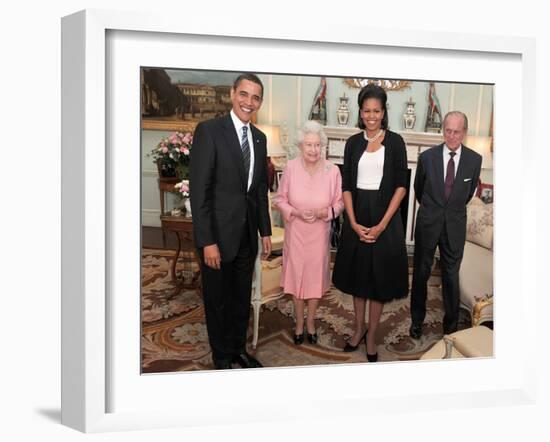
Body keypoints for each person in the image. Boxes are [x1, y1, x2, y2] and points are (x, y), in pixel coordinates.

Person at [190, 73, 272, 369]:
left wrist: (265, 230)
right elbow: (200, 192)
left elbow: (259, 190)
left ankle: (237, 348)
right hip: (217, 238)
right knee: (218, 300)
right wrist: (207, 240)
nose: (249, 102)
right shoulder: (209, 131)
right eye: (244, 94)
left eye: (256, 97)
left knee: (240, 299)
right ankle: (221, 356)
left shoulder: (260, 139)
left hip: (247, 236)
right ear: (232, 94)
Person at [332, 84, 409, 362]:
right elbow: (347, 186)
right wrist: (352, 222)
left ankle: (372, 334)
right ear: (360, 112)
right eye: (367, 111)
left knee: (377, 282)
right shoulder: (352, 143)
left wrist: (382, 225)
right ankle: (358, 328)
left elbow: (401, 186)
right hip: (357, 215)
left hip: (385, 218)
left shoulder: (397, 142)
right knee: (358, 279)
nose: (371, 116)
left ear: (384, 111)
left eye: (376, 111)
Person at [410, 111, 482, 338]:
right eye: (448, 131)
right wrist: (434, 210)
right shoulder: (427, 157)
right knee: (421, 273)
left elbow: (468, 194)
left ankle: (451, 326)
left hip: (455, 226)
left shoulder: (474, 160)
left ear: (465, 133)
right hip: (428, 223)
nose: (451, 136)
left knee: (452, 276)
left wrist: (448, 210)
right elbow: (419, 190)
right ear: (443, 130)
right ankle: (416, 321)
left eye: (456, 132)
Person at [275, 121, 343, 345]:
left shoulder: (332, 171)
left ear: (322, 146)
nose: (313, 150)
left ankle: (311, 322)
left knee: (314, 280)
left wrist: (326, 212)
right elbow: (280, 199)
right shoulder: (291, 167)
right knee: (296, 279)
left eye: (317, 145)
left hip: (319, 235)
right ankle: (299, 324)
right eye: (308, 145)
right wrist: (294, 211)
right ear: (300, 146)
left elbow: (340, 203)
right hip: (295, 233)